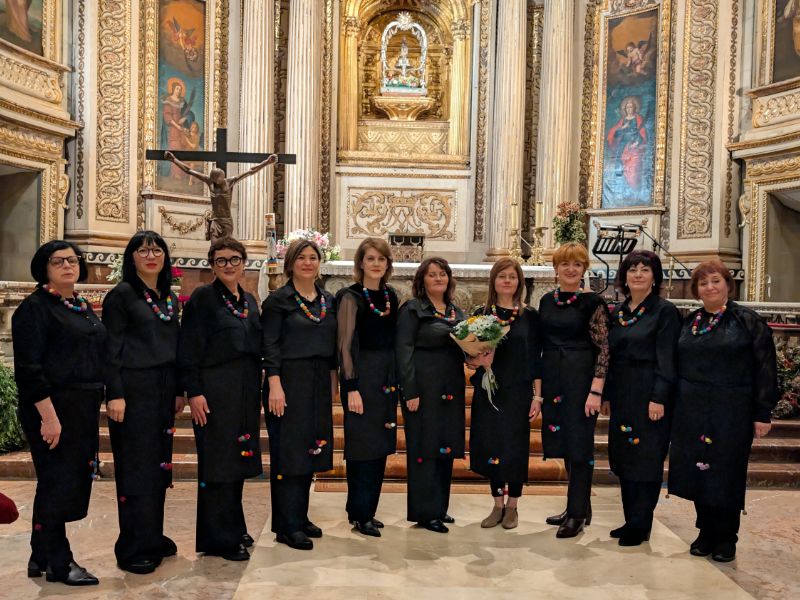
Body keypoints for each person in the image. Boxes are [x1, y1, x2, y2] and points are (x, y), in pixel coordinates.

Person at [668, 260, 779, 563]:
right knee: (698, 468)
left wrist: (762, 412)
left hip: (732, 409)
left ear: (728, 285)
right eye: (703, 283)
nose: (710, 287)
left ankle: (726, 537)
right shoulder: (690, 321)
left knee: (726, 472)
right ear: (696, 290)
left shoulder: (747, 321)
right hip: (691, 407)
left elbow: (766, 367)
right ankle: (705, 531)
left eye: (715, 281)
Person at [12, 241, 106, 585]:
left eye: (72, 260)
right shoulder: (34, 308)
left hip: (80, 407)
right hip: (52, 407)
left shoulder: (79, 305)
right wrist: (49, 418)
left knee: (63, 481)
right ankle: (60, 563)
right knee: (56, 483)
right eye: (58, 261)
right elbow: (29, 369)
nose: (68, 265)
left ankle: (40, 553)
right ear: (44, 267)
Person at [103, 231, 184, 573]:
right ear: (131, 257)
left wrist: (179, 389)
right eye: (142, 250)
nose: (150, 255)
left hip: (163, 388)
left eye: (157, 250)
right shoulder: (121, 296)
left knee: (158, 466)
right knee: (135, 468)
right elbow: (109, 350)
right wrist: (115, 393)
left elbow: (174, 347)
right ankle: (132, 546)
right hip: (133, 389)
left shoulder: (168, 298)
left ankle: (152, 535)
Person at [178, 238, 263, 561]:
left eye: (235, 259)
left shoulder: (249, 300)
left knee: (238, 459)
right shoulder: (203, 298)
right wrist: (194, 392)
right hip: (215, 390)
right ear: (212, 265)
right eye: (221, 260)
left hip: (243, 390)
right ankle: (219, 539)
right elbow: (189, 347)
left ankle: (233, 525)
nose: (229, 265)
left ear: (244, 262)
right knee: (218, 463)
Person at [262, 239, 337, 551]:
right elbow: (269, 345)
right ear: (290, 263)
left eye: (313, 257)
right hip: (288, 381)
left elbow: (333, 345)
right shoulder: (278, 301)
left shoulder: (327, 300)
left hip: (318, 381)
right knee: (289, 452)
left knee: (311, 449)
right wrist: (275, 384)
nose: (308, 262)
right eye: (302, 258)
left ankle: (298, 516)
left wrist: (332, 381)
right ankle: (286, 525)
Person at [603, 250, 680, 546]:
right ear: (624, 276)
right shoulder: (620, 312)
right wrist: (608, 394)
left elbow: (667, 359)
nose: (638, 274)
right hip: (623, 394)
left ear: (654, 277)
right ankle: (630, 519)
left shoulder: (665, 312)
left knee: (646, 460)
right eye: (632, 269)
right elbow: (610, 357)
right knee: (624, 457)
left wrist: (659, 397)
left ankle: (641, 524)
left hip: (650, 394)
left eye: (645, 269)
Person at [533, 242, 609, 538]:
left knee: (580, 445)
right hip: (554, 377)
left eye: (577, 264)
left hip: (580, 378)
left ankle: (577, 514)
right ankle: (578, 506)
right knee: (565, 442)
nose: (570, 269)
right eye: (565, 264)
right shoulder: (546, 301)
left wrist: (596, 391)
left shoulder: (593, 303)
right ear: (556, 268)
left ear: (584, 269)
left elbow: (604, 349)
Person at [467, 258, 542, 530]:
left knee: (514, 447)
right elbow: (469, 356)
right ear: (494, 281)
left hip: (518, 391)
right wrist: (479, 362)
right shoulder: (482, 313)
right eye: (502, 276)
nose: (507, 281)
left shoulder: (529, 316)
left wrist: (538, 396)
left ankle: (513, 507)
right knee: (492, 445)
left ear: (519, 282)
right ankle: (497, 504)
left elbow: (535, 359)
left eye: (512, 276)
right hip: (489, 389)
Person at [396, 257, 466, 533]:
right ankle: (425, 512)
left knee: (445, 446)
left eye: (443, 274)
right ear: (421, 281)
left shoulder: (455, 311)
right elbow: (403, 351)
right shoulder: (412, 309)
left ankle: (440, 507)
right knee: (424, 448)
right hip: (423, 388)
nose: (438, 279)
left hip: (451, 386)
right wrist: (410, 390)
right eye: (432, 275)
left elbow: (463, 347)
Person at [336, 238, 399, 537]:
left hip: (386, 380)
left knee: (380, 447)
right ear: (360, 263)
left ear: (387, 265)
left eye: (381, 259)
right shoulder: (349, 297)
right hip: (362, 378)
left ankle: (366, 510)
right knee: (362, 448)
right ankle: (361, 513)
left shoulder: (391, 297)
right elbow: (345, 345)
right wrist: (351, 387)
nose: (376, 263)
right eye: (370, 258)